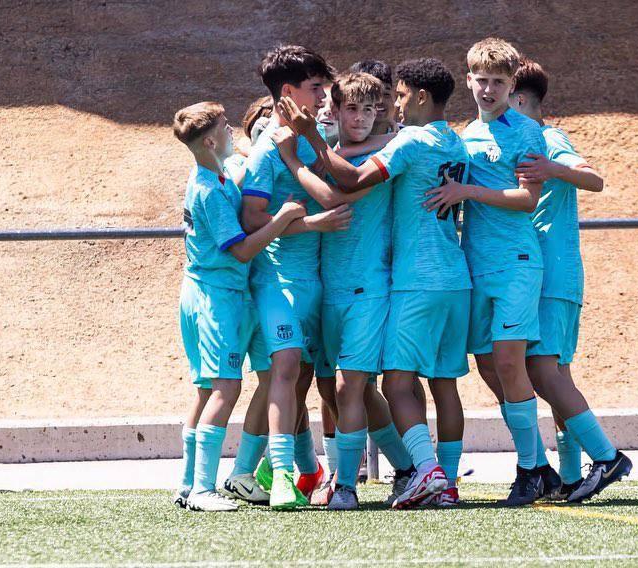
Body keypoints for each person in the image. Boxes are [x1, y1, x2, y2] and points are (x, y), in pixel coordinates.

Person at [279, 57, 471, 509]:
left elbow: (342, 189)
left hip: (380, 287)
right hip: (333, 288)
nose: (361, 118)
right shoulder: (412, 143)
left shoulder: (392, 153)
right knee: (336, 387)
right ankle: (411, 470)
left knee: (362, 385)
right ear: (335, 110)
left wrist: (299, 151)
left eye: (374, 109)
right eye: (351, 110)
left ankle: (352, 484)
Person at [423, 38, 548, 506]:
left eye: (498, 81)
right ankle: (538, 464)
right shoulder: (461, 136)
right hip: (472, 264)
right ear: (469, 79)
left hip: (515, 262)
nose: (488, 89)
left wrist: (467, 193)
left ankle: (530, 469)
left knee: (510, 361)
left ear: (512, 84)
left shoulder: (527, 132)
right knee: (485, 362)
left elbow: (527, 200)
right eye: (481, 80)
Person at [171, 101, 306, 512]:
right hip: (217, 298)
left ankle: (192, 483)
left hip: (221, 295)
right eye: (227, 128)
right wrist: (281, 218)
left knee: (210, 388)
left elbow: (242, 164)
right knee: (224, 388)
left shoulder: (218, 172)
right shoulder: (209, 190)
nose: (234, 133)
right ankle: (202, 490)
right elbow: (243, 250)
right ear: (210, 140)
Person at [510, 58, 632, 502]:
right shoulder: (524, 138)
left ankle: (606, 457)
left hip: (554, 273)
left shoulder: (548, 137)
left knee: (543, 370)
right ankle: (566, 474)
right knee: (553, 373)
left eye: (504, 94)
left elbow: (594, 179)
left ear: (520, 100)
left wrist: (553, 168)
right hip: (540, 272)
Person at [239, 45, 351, 509]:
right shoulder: (267, 148)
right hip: (279, 280)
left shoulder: (310, 137)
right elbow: (250, 220)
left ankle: (280, 471)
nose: (324, 95)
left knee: (305, 376)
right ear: (288, 93)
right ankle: (281, 474)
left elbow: (344, 187)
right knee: (284, 369)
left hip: (317, 282)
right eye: (315, 87)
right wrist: (309, 224)